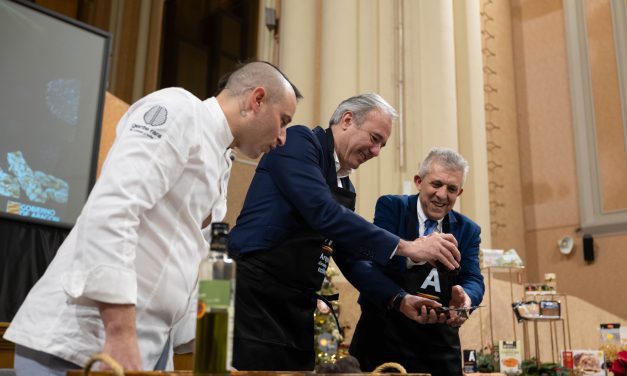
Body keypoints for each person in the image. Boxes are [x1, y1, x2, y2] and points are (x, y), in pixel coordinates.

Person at [3, 61, 302, 375]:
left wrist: (211, 354)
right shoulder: (178, 110)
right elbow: (114, 208)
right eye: (283, 121)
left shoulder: (222, 159)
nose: (283, 137)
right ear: (256, 100)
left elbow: (189, 262)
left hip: (148, 347)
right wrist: (119, 332)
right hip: (87, 343)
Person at [228, 94, 462, 371]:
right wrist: (408, 246)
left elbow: (352, 258)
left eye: (382, 145)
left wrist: (399, 299)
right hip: (254, 295)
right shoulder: (300, 141)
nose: (376, 151)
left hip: (297, 307)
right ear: (347, 120)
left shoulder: (346, 188)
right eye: (375, 139)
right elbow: (322, 211)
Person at [338, 147, 485, 376]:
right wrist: (414, 255)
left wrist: (466, 299)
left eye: (452, 189)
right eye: (436, 184)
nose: (442, 195)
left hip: (440, 348)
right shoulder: (392, 208)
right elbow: (372, 263)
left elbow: (473, 278)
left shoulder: (468, 230)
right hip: (383, 338)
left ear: (460, 192)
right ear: (419, 181)